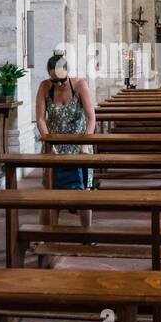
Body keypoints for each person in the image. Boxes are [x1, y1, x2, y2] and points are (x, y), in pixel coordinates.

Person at [34, 54, 96, 227]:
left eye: (62, 80)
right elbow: (40, 119)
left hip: (79, 145)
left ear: (68, 72)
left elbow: (91, 118)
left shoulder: (80, 85)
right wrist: (49, 143)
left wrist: (84, 145)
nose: (59, 84)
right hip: (53, 146)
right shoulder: (45, 87)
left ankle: (87, 233)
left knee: (83, 192)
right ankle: (45, 235)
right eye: (55, 80)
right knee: (50, 193)